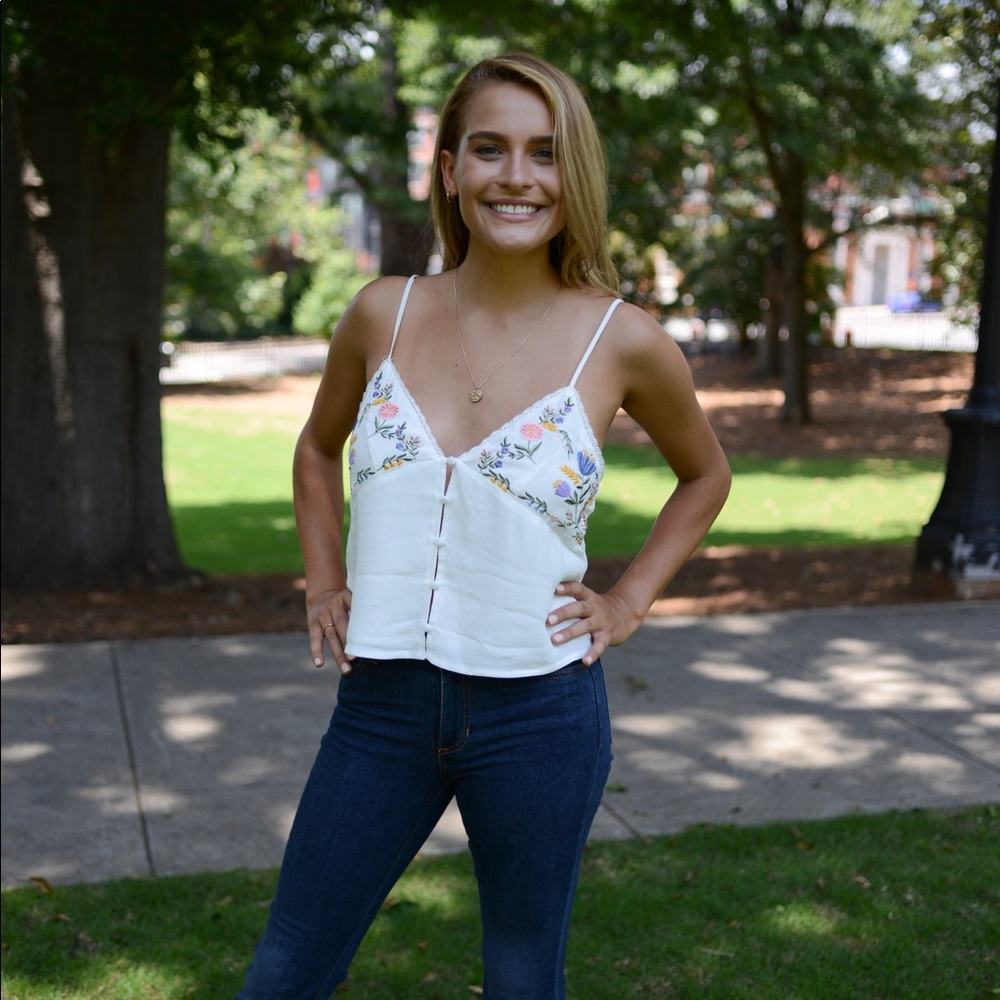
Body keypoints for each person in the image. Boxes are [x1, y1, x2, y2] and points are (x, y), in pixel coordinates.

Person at [237, 52, 731, 1000]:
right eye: (491, 149)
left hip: (540, 712)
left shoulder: (622, 339)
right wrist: (323, 582)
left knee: (518, 974)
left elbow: (705, 475)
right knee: (289, 966)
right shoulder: (383, 312)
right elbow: (315, 449)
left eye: (545, 154)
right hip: (380, 709)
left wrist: (627, 602)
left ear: (572, 176)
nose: (517, 176)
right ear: (450, 171)